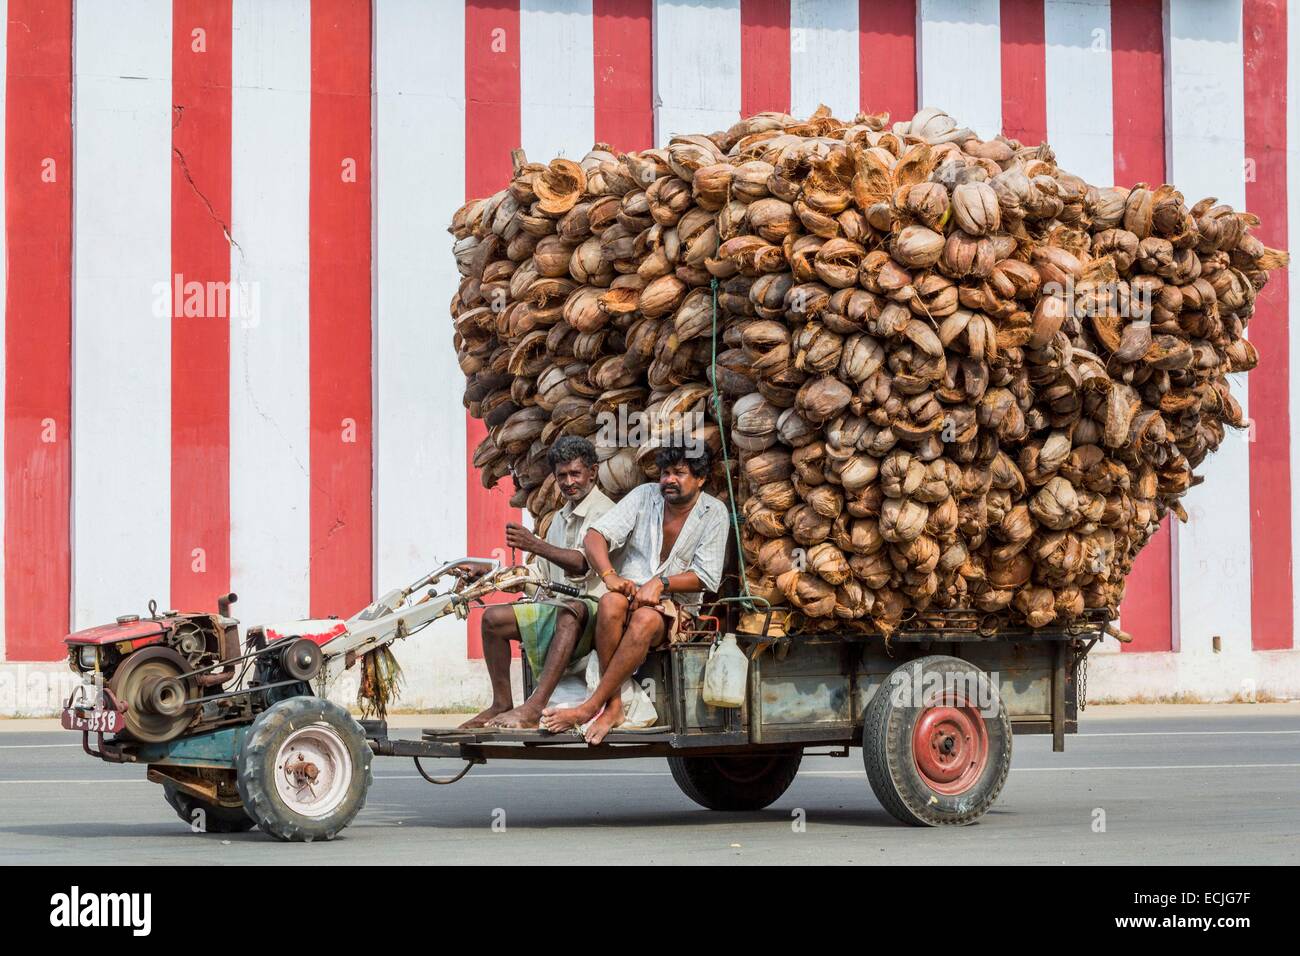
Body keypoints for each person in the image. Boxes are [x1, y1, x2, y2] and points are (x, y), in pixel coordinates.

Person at [541, 444, 730, 743]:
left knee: (644, 618)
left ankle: (590, 706)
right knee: (609, 601)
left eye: (679, 473)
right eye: (665, 473)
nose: (669, 480)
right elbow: (594, 537)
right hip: (628, 595)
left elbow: (706, 577)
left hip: (676, 610)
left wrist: (662, 584)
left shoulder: (714, 513)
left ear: (701, 479)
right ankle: (614, 706)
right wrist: (609, 575)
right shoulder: (645, 496)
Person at [460, 436, 615, 729]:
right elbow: (543, 579)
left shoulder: (605, 512)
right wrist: (498, 578)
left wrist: (534, 544)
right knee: (492, 619)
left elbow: (584, 562)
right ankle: (501, 703)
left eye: (575, 474)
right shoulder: (559, 518)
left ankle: (535, 706)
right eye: (562, 476)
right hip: (561, 609)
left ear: (592, 472)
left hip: (599, 615)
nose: (569, 482)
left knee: (572, 610)